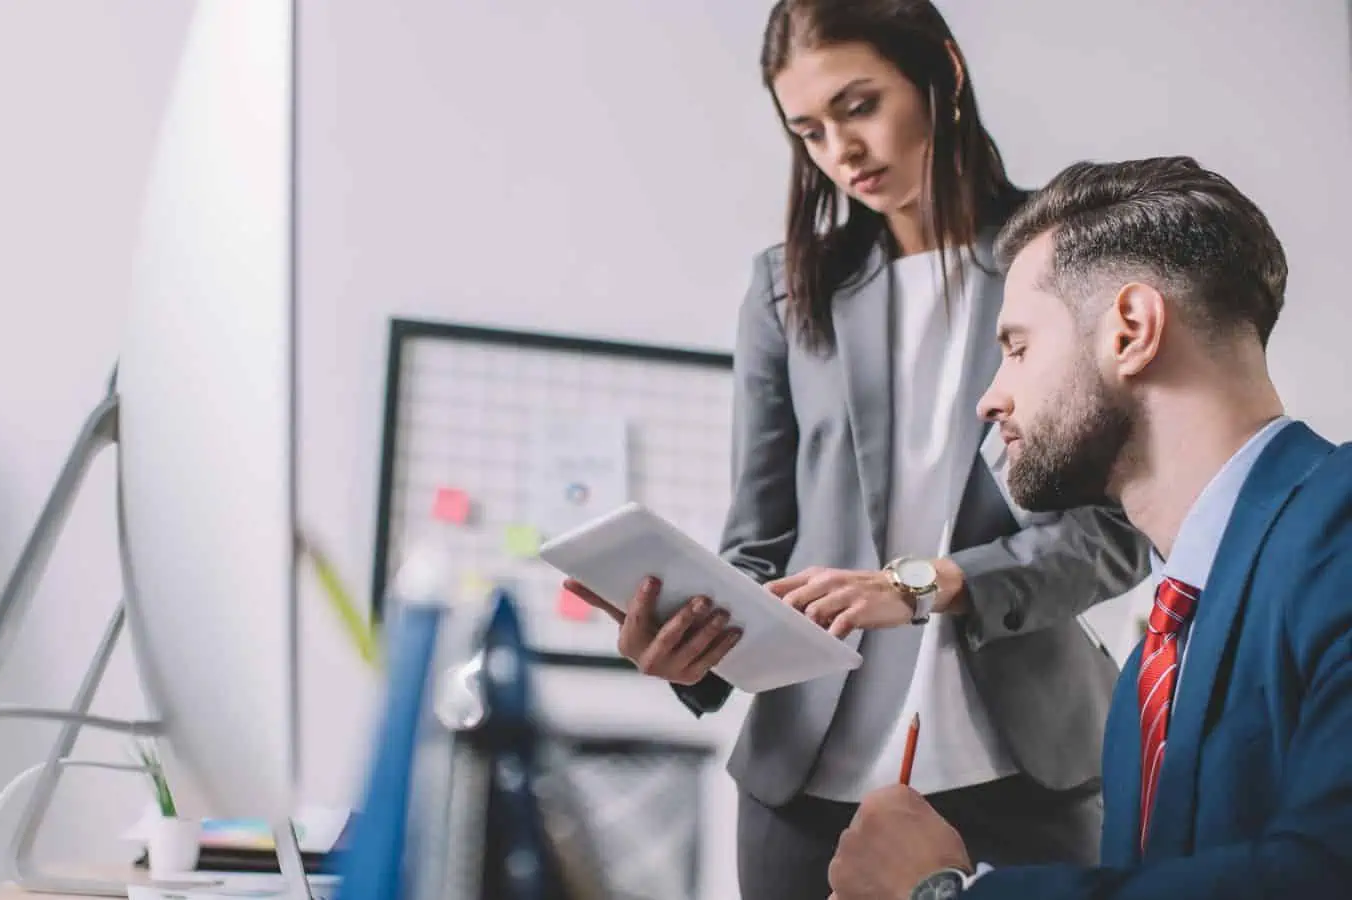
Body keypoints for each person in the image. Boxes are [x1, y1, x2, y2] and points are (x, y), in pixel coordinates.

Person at [561, 1, 1150, 896]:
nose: (841, 150)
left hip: (1026, 778)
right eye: (809, 129)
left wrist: (921, 586)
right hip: (805, 784)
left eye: (859, 105)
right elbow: (758, 544)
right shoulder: (787, 290)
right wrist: (696, 645)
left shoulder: (1062, 261)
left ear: (943, 72)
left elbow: (1112, 535)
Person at [826, 155, 1352, 899]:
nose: (991, 398)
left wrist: (945, 894)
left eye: (1017, 349)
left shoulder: (1341, 527)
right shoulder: (1146, 676)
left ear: (1130, 331)